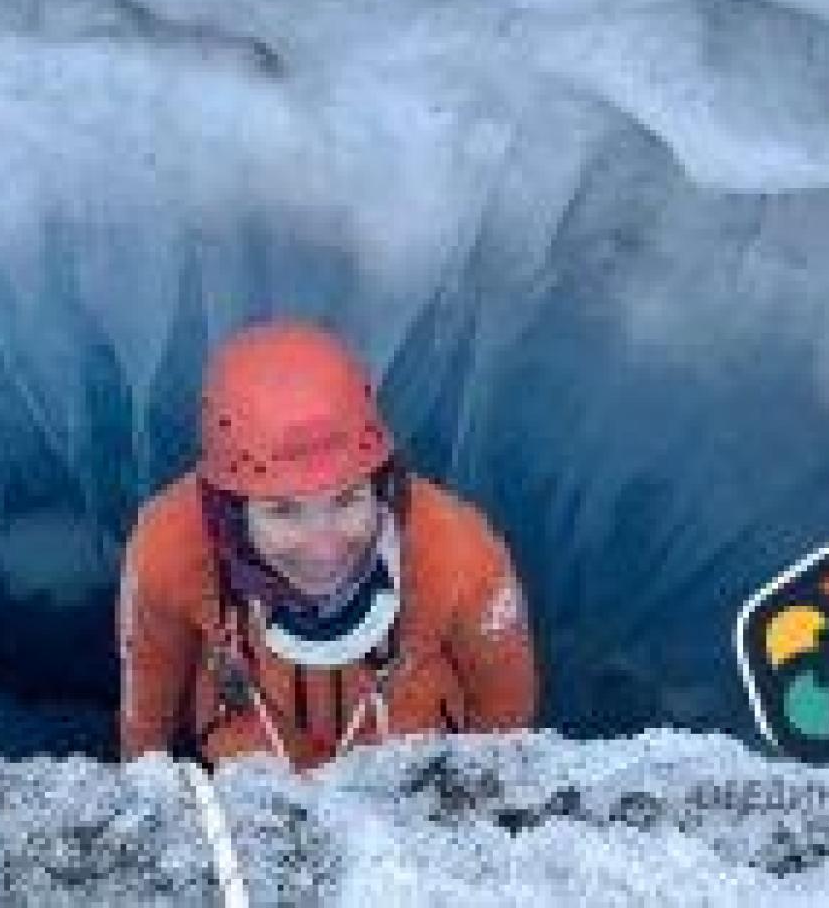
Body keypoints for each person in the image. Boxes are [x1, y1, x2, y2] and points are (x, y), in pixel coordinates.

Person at [117, 320, 537, 771]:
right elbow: (146, 728)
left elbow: (505, 731)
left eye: (347, 499)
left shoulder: (460, 556)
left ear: (380, 485)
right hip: (251, 775)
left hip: (411, 774)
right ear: (231, 510)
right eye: (282, 510)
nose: (323, 550)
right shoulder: (170, 547)